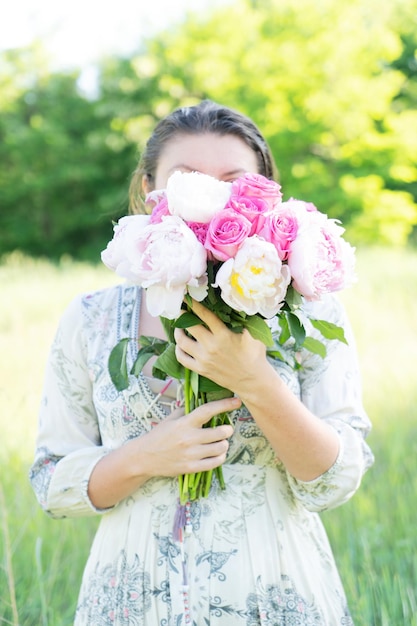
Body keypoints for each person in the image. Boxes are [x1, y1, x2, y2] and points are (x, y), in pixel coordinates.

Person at [30, 99, 374, 625]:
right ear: (151, 192)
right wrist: (146, 456)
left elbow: (333, 480)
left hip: (275, 596)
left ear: (264, 196)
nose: (214, 200)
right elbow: (52, 481)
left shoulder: (309, 307)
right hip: (130, 601)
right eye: (188, 178)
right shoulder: (92, 318)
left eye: (233, 181)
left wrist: (255, 381)